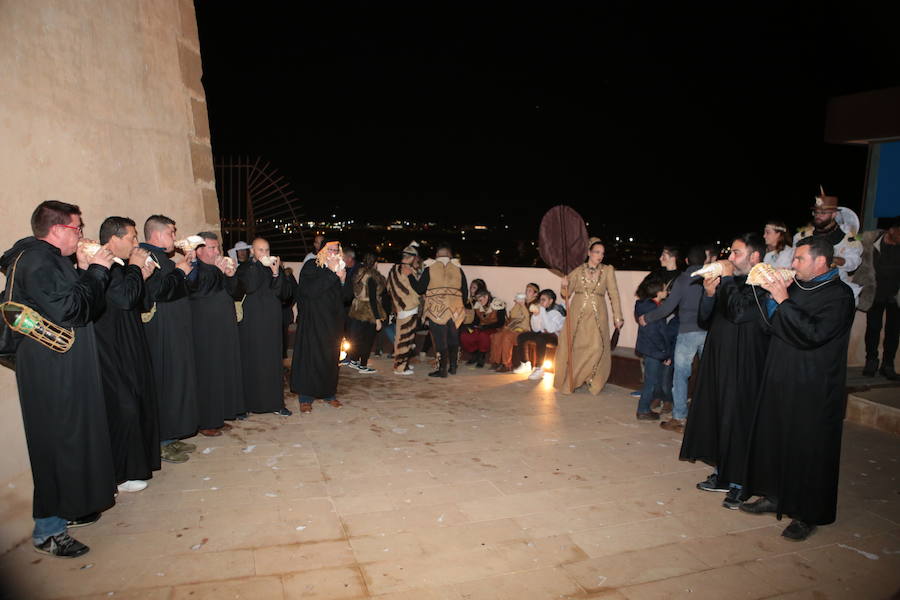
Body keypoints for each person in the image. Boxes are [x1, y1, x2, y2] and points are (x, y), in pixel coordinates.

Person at [1, 201, 115, 558]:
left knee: (73, 436)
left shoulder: (49, 259)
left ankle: (70, 508)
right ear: (57, 229)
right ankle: (48, 530)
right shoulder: (37, 260)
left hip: (63, 365)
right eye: (77, 228)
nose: (82, 235)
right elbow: (72, 310)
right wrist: (96, 271)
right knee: (56, 441)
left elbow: (70, 304)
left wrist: (83, 270)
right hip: (51, 369)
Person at [740, 236, 855, 541]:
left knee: (808, 448)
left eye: (799, 259)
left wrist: (783, 300)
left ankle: (807, 513)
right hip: (781, 375)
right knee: (776, 438)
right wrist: (771, 297)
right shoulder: (796, 287)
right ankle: (775, 495)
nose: (792, 264)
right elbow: (771, 326)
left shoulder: (839, 296)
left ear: (820, 261)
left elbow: (813, 334)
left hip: (813, 385)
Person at [680, 233, 771, 510]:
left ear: (755, 257)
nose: (730, 258)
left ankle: (741, 484)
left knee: (739, 420)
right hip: (719, 360)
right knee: (720, 417)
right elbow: (706, 319)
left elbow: (740, 313)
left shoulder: (763, 282)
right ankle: (724, 474)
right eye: (730, 253)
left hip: (744, 365)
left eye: (737, 253)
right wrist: (709, 294)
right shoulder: (730, 283)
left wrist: (728, 279)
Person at [94, 216, 159, 494]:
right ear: (114, 238)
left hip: (131, 340)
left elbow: (138, 301)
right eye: (132, 237)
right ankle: (123, 472)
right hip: (111, 346)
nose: (135, 242)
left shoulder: (121, 267)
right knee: (124, 408)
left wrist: (141, 276)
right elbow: (121, 299)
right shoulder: (104, 266)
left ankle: (139, 463)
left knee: (140, 399)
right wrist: (134, 268)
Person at [141, 215, 199, 464]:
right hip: (162, 331)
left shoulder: (165, 259)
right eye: (171, 233)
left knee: (177, 382)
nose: (175, 237)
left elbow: (183, 289)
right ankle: (162, 441)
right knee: (165, 383)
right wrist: (180, 272)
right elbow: (157, 292)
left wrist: (189, 267)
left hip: (176, 329)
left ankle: (171, 435)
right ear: (157, 234)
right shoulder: (147, 257)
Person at [639, 245, 709, 433]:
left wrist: (647, 317)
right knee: (708, 375)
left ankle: (679, 417)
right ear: (705, 261)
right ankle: (708, 418)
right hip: (708, 332)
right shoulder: (710, 279)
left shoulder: (683, 279)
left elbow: (668, 307)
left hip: (687, 332)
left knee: (680, 376)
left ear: (686, 261)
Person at [187, 232, 245, 434]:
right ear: (200, 250)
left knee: (223, 370)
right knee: (208, 374)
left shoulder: (219, 268)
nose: (217, 251)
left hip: (224, 327)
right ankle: (206, 421)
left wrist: (231, 276)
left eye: (218, 247)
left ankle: (220, 414)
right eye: (212, 248)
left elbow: (237, 292)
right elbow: (199, 290)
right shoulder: (195, 268)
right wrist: (219, 272)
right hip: (205, 328)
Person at [554, 241, 624, 394]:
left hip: (598, 314)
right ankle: (572, 381)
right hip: (577, 313)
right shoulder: (577, 270)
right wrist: (564, 285)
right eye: (597, 252)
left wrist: (618, 316)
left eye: (602, 253)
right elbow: (566, 294)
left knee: (597, 347)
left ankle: (593, 380)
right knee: (576, 347)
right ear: (589, 253)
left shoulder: (607, 270)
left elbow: (614, 294)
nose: (600, 256)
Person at [235, 238, 293, 415]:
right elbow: (249, 287)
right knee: (250, 361)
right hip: (252, 323)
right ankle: (247, 405)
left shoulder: (275, 267)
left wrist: (276, 273)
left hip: (272, 322)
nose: (265, 254)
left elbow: (284, 294)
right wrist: (255, 265)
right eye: (260, 250)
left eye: (267, 250)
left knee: (273, 362)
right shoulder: (245, 268)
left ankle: (275, 404)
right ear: (252, 251)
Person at [292, 240, 351, 412]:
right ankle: (305, 397)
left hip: (332, 323)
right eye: (330, 249)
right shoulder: (311, 266)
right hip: (313, 321)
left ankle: (328, 393)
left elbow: (347, 297)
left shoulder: (340, 267)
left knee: (330, 358)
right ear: (322, 251)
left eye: (336, 250)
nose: (333, 253)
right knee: (310, 359)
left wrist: (343, 280)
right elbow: (311, 291)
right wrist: (332, 273)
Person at [409, 243, 468, 378]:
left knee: (440, 341)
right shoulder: (458, 269)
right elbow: (465, 291)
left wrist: (409, 276)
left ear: (436, 255)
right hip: (456, 311)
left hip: (436, 311)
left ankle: (442, 370)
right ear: (450, 255)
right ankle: (453, 367)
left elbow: (419, 289)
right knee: (454, 340)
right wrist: (460, 305)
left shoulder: (430, 267)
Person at [793, 188, 863, 301]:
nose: (818, 215)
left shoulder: (849, 239)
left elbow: (853, 263)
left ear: (834, 214)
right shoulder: (802, 236)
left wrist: (832, 259)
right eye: (816, 212)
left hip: (834, 292)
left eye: (823, 213)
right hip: (804, 288)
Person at [855, 216, 900, 379]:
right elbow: (852, 241)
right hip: (874, 293)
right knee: (873, 329)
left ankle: (888, 365)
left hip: (896, 296)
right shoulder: (870, 240)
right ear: (892, 230)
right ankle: (871, 362)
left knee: (893, 332)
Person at [633, 276, 676, 421]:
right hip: (654, 351)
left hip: (649, 349)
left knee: (651, 380)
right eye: (664, 289)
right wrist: (664, 353)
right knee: (650, 382)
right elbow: (657, 334)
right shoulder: (654, 310)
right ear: (658, 293)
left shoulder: (645, 306)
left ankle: (644, 409)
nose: (666, 291)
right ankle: (643, 409)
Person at [346, 252, 388, 373]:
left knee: (357, 337)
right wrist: (378, 319)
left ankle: (354, 360)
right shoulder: (372, 277)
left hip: (356, 308)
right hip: (368, 310)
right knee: (367, 339)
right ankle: (363, 365)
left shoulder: (359, 273)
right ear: (376, 263)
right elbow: (373, 299)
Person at [386, 241, 421, 375]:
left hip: (400, 308)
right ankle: (400, 367)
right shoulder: (408, 270)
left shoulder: (394, 269)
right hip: (409, 307)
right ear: (412, 257)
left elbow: (389, 288)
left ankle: (403, 363)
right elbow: (417, 290)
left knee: (403, 337)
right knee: (405, 339)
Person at [516, 289, 566, 380]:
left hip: (556, 337)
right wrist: (535, 316)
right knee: (522, 336)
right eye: (540, 300)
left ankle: (540, 368)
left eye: (543, 300)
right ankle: (525, 363)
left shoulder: (557, 312)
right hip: (543, 334)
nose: (541, 302)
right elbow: (536, 329)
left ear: (551, 301)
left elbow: (550, 329)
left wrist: (542, 310)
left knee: (540, 338)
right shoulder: (543, 310)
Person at [488, 283, 538, 372]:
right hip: (515, 328)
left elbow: (527, 320)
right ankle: (495, 361)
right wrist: (517, 304)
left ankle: (506, 364)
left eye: (529, 291)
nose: (527, 292)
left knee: (507, 336)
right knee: (497, 336)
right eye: (526, 290)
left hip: (526, 331)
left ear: (535, 294)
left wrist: (522, 305)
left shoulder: (535, 305)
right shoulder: (522, 302)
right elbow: (513, 316)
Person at [460, 289, 506, 368]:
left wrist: (486, 327)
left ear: (486, 296)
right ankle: (475, 354)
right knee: (464, 335)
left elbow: (501, 322)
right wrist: (469, 326)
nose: (479, 302)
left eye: (481, 300)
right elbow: (476, 321)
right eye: (478, 300)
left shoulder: (498, 303)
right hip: (482, 327)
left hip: (495, 328)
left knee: (483, 335)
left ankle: (482, 356)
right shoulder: (478, 305)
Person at [281, 266, 298, 359]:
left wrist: (289, 305)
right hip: (275, 312)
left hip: (285, 311)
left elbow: (295, 291)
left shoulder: (287, 275)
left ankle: (283, 358)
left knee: (284, 337)